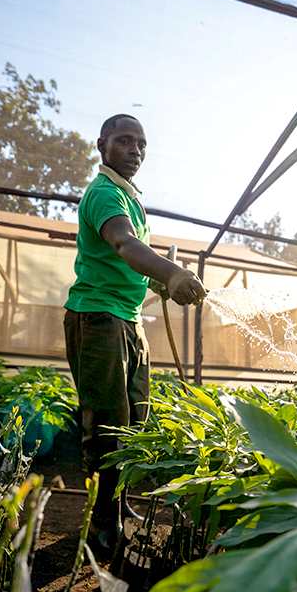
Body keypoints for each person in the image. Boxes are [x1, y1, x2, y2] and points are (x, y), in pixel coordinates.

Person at [63, 114, 207, 552]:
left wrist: (158, 280)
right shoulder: (105, 194)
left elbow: (130, 264)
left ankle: (117, 502)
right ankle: (101, 520)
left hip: (126, 319)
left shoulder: (129, 197)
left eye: (141, 144)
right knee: (108, 425)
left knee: (134, 423)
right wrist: (174, 273)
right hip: (98, 319)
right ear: (102, 145)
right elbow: (126, 246)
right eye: (124, 141)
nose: (135, 150)